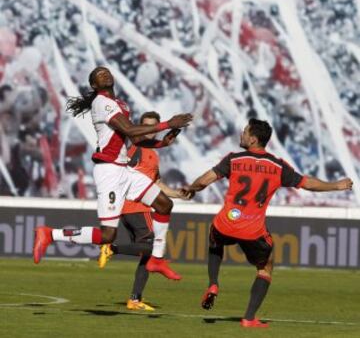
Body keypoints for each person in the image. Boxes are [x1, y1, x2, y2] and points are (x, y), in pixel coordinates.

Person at [181, 118, 353, 328]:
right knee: (266, 266)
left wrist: (191, 188)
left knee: (215, 237)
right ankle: (249, 318)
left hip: (226, 222)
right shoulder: (277, 165)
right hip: (252, 231)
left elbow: (204, 180)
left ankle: (213, 283)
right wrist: (336, 185)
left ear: (253, 139)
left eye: (245, 132)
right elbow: (307, 183)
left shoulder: (233, 159)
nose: (241, 134)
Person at [33, 66, 193, 281]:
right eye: (99, 75)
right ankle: (50, 234)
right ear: (94, 85)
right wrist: (167, 124)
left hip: (123, 168)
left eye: (106, 72)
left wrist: (162, 142)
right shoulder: (102, 102)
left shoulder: (120, 104)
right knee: (108, 235)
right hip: (109, 172)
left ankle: (156, 259)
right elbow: (129, 130)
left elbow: (134, 139)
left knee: (164, 204)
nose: (104, 74)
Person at [98, 110, 187, 311]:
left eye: (151, 127)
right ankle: (112, 248)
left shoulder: (152, 155)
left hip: (136, 206)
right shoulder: (133, 149)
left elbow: (157, 184)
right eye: (145, 126)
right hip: (136, 206)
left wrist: (178, 194)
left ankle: (135, 299)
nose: (149, 131)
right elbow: (122, 173)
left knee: (146, 255)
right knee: (153, 247)